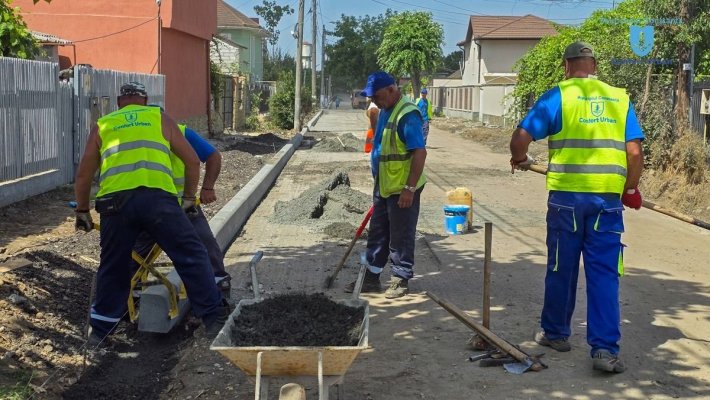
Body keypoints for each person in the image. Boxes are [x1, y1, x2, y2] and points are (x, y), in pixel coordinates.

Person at [509, 42, 644, 373]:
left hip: (566, 201)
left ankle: (555, 333)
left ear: (567, 66)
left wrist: (520, 159)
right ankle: (604, 351)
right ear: (594, 65)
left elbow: (520, 139)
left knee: (560, 268)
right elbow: (635, 153)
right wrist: (630, 187)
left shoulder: (559, 95)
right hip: (607, 204)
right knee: (604, 275)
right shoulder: (619, 97)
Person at [74, 82, 228, 344]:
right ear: (144, 100)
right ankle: (213, 319)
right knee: (191, 255)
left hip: (115, 205)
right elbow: (192, 161)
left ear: (120, 102)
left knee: (114, 265)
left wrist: (82, 211)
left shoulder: (104, 124)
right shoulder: (159, 118)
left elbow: (84, 173)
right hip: (159, 203)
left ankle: (99, 332)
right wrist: (190, 199)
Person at [131, 108, 232, 300]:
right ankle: (131, 293)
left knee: (203, 244)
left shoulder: (182, 133)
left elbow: (213, 156)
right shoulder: (138, 139)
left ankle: (218, 283)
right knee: (135, 252)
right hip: (154, 208)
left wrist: (208, 188)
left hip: (179, 206)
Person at [344, 71, 427, 299]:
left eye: (378, 96)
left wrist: (409, 189)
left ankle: (400, 278)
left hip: (402, 188)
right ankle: (371, 278)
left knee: (400, 234)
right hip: (384, 185)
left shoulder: (408, 114)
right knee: (378, 233)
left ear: (392, 90)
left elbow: (419, 152)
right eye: (373, 98)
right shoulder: (385, 110)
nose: (375, 101)